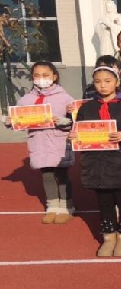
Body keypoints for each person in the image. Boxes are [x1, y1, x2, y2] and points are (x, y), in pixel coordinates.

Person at [70, 66, 121, 257]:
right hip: (96, 163)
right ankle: (108, 235)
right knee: (104, 201)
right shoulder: (86, 108)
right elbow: (79, 130)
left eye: (107, 81)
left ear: (117, 82)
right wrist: (74, 136)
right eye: (98, 81)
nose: (102, 85)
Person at [5, 62, 74, 224]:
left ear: (54, 76)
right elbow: (18, 120)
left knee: (62, 175)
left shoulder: (65, 97)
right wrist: (10, 122)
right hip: (39, 143)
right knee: (47, 175)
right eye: (37, 75)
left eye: (45, 75)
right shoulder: (26, 99)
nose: (41, 79)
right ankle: (52, 206)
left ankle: (66, 206)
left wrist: (64, 121)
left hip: (59, 142)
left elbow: (74, 119)